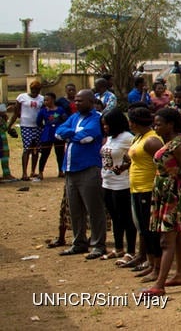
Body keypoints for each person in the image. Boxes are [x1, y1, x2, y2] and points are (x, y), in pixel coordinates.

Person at [142, 108, 181, 297]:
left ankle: (159, 284)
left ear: (170, 124)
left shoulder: (178, 145)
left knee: (167, 239)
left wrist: (173, 178)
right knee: (178, 235)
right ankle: (180, 274)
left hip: (172, 195)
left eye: (159, 124)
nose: (156, 128)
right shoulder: (169, 143)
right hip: (165, 193)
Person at [55, 89, 107, 259]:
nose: (76, 103)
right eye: (75, 101)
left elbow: (88, 137)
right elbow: (59, 131)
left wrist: (69, 135)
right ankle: (79, 243)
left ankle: (98, 245)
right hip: (70, 170)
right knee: (75, 210)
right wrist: (71, 135)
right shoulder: (74, 117)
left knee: (94, 209)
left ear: (91, 102)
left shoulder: (97, 118)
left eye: (80, 101)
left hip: (88, 169)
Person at [125, 106, 163, 278]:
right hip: (136, 188)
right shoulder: (138, 138)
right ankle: (149, 261)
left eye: (130, 122)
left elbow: (162, 164)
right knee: (142, 228)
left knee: (150, 230)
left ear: (134, 122)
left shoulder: (152, 141)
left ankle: (157, 266)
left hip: (148, 189)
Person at [99, 109, 136, 262]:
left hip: (123, 184)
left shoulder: (128, 138)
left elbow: (135, 158)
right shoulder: (109, 138)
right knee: (115, 218)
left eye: (107, 124)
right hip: (107, 182)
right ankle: (118, 247)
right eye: (103, 125)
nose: (105, 127)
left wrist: (125, 167)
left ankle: (131, 251)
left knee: (126, 218)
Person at [10, 79, 44, 181]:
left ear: (39, 90)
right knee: (27, 148)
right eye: (33, 89)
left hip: (38, 127)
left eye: (37, 89)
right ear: (30, 88)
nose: (35, 91)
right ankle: (24, 173)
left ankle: (33, 171)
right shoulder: (21, 97)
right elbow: (16, 113)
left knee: (36, 149)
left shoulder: (42, 99)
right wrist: (9, 126)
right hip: (25, 126)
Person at [37, 92, 69, 178]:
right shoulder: (43, 111)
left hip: (58, 133)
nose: (45, 102)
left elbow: (65, 120)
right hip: (47, 134)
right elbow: (38, 122)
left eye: (47, 100)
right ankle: (40, 172)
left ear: (53, 100)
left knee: (60, 153)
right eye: (44, 100)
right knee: (44, 153)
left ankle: (61, 171)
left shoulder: (60, 110)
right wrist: (45, 127)